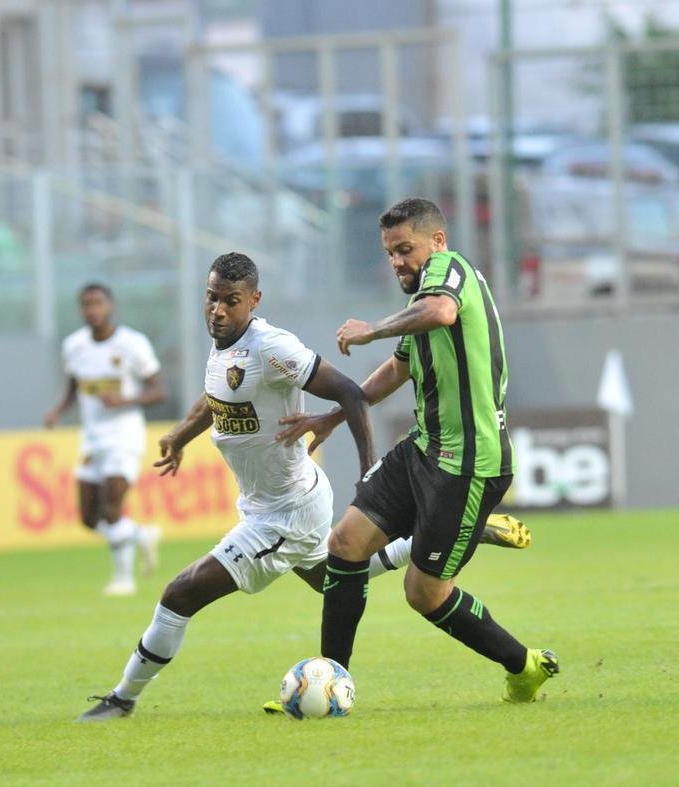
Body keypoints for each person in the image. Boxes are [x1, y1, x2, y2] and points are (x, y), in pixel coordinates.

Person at [77, 252, 531, 721]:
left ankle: (122, 697)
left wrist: (367, 467)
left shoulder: (273, 347)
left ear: (253, 301)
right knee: (331, 578)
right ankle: (443, 535)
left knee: (181, 593)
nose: (217, 309)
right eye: (211, 298)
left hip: (285, 512)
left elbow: (350, 393)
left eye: (230, 301)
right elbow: (217, 396)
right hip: (267, 502)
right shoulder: (225, 345)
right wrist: (180, 436)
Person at [277, 197, 558, 704]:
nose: (398, 262)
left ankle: (524, 665)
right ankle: (330, 680)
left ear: (437, 241)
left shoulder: (449, 273)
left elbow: (442, 310)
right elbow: (398, 369)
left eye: (406, 249)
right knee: (344, 545)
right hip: (424, 448)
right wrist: (337, 414)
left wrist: (370, 330)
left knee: (422, 593)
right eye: (390, 253)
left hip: (468, 464)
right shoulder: (418, 305)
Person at [45, 283, 166, 597]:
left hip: (124, 435)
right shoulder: (74, 346)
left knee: (112, 506)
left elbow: (158, 391)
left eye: (98, 303)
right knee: (88, 517)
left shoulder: (132, 344)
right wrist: (58, 411)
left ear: (110, 306)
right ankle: (140, 535)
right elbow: (74, 387)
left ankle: (124, 579)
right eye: (86, 304)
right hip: (92, 438)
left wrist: (125, 401)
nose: (92, 310)